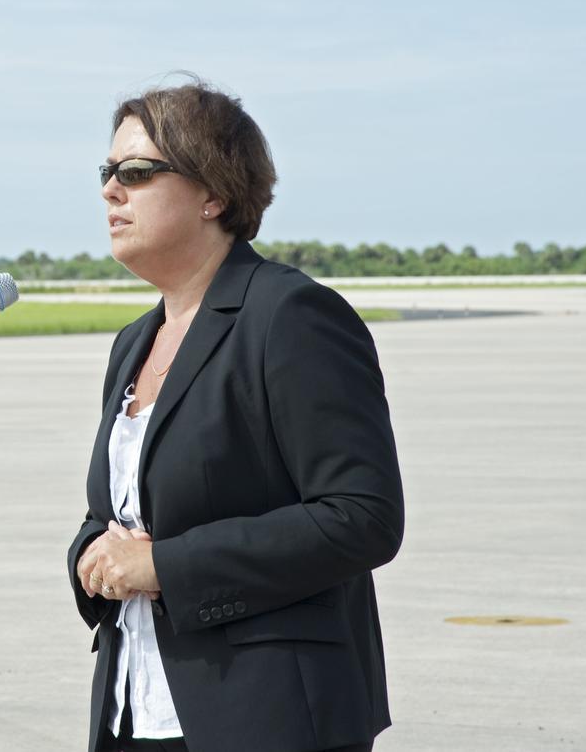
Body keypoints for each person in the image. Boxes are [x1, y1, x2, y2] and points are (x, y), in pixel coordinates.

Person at [66, 78, 404, 752]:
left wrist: (166, 566)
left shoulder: (289, 315)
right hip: (135, 709)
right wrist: (91, 556)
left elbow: (362, 516)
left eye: (136, 172)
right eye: (107, 172)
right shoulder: (134, 341)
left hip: (267, 715)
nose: (110, 191)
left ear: (213, 193)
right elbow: (124, 512)